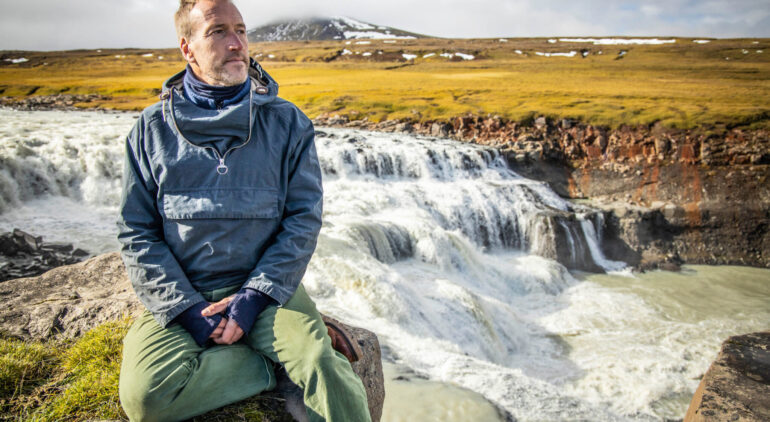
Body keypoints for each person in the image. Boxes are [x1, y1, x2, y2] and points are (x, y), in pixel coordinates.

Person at [116, 0, 371, 420]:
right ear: (187, 48)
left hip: (268, 291)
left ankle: (296, 352)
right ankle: (268, 365)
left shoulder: (288, 123)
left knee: (322, 364)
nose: (237, 44)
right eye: (218, 32)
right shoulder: (150, 130)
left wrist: (255, 296)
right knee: (147, 398)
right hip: (188, 291)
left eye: (241, 30)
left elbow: (303, 219)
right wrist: (187, 310)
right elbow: (136, 231)